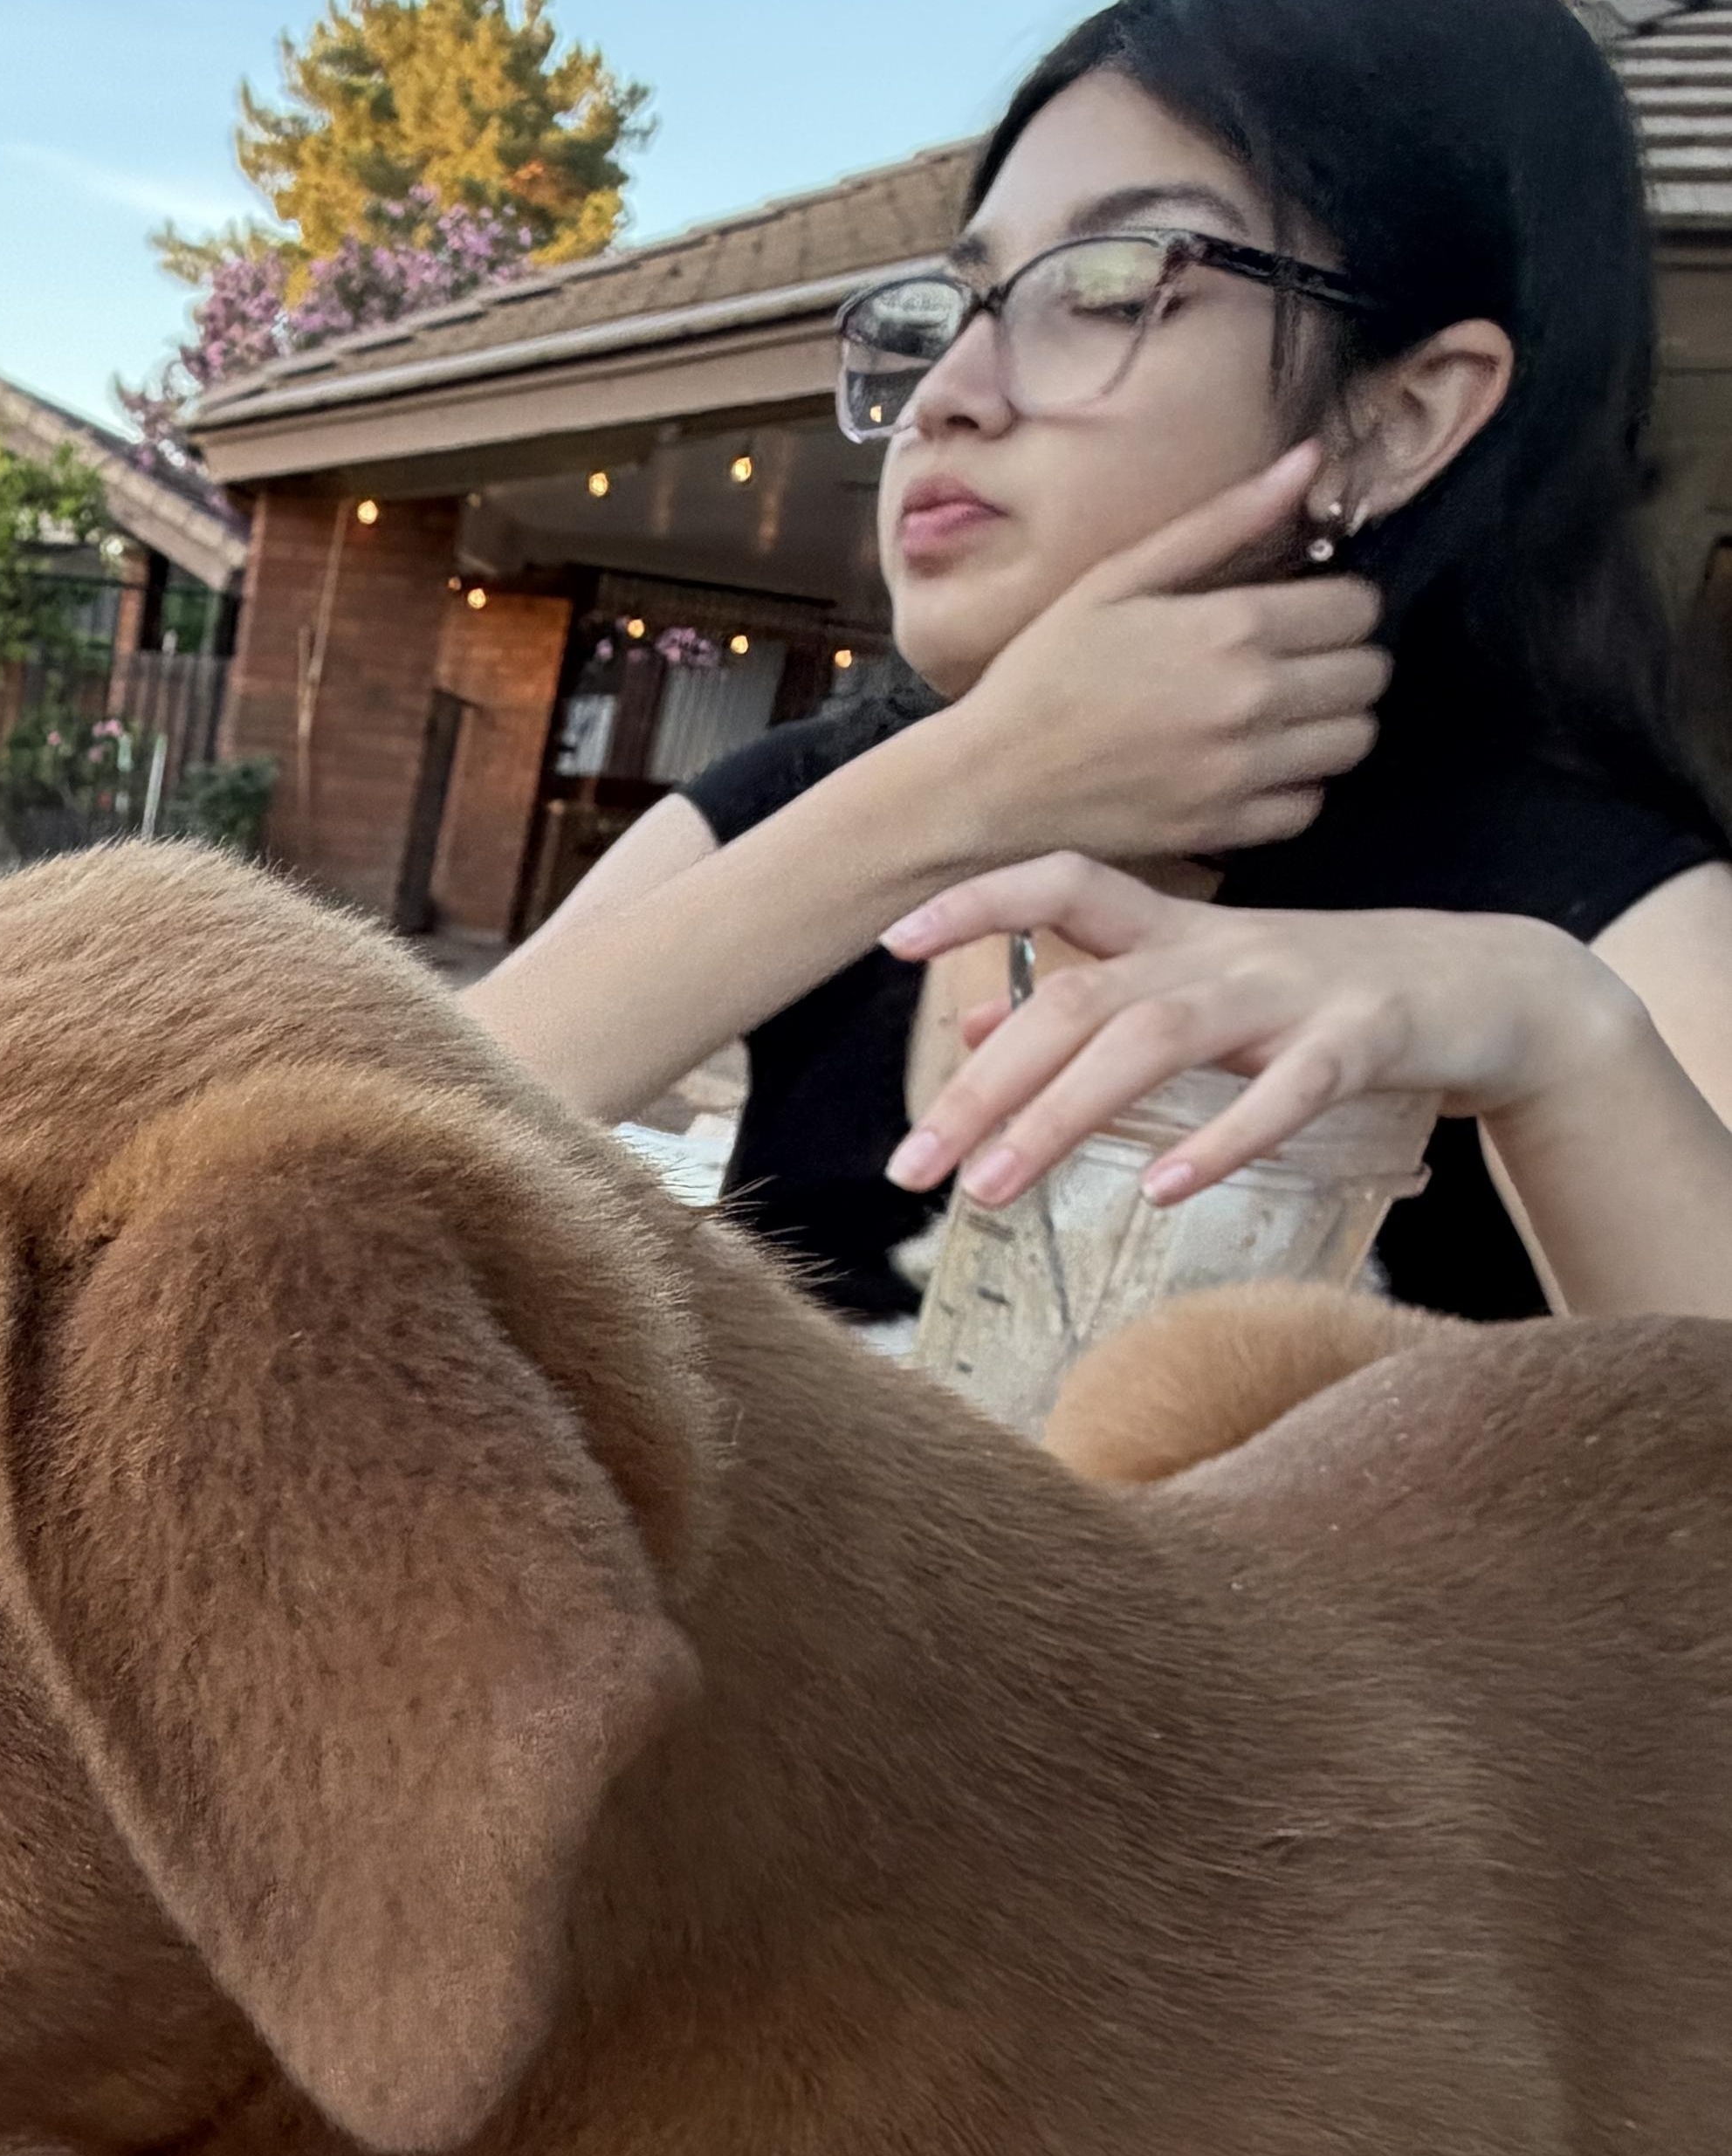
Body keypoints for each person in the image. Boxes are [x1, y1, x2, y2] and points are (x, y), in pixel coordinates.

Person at [465, 0, 1732, 1327]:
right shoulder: (811, 802)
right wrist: (967, 789)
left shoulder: (1589, 918)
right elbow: (331, 1169)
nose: (952, 388)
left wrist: (1563, 1047)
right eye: (961, 303)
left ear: (1398, 416)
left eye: (1111, 285)